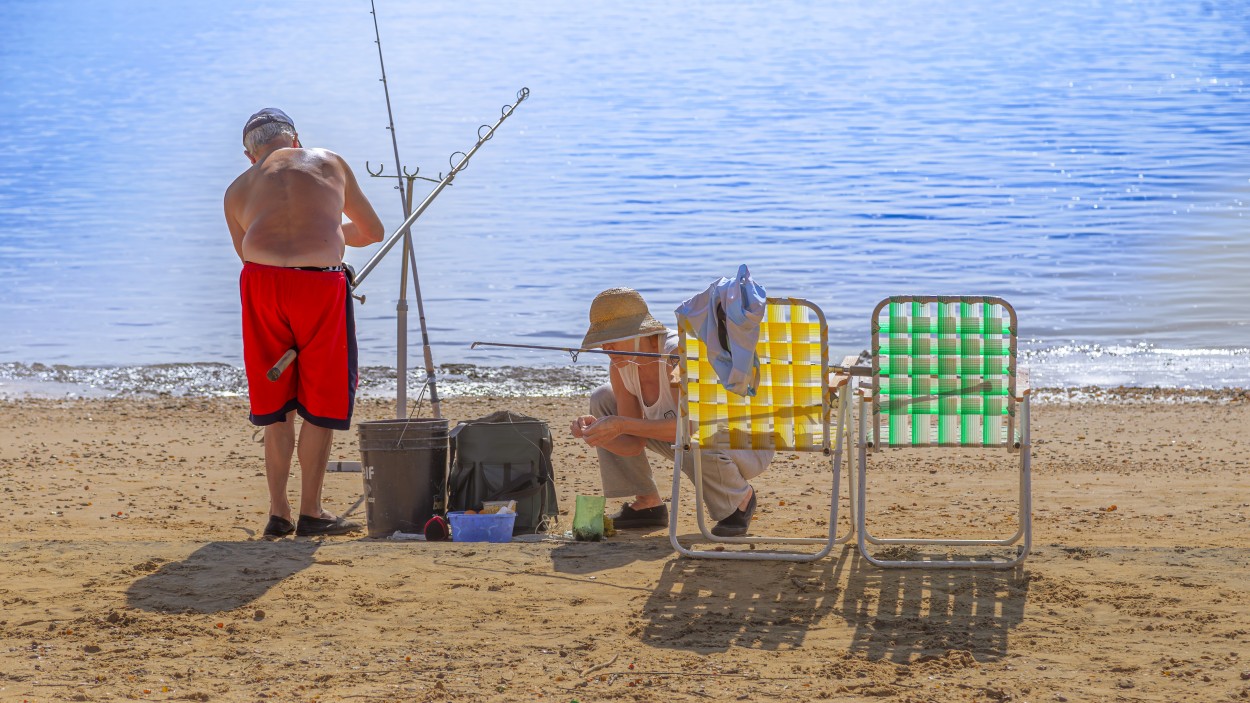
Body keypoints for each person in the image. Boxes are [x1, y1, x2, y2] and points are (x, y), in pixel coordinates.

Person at [224, 108, 385, 538]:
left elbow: (247, 253)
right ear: (296, 139)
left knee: (277, 407)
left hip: (262, 286)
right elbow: (373, 231)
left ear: (249, 155)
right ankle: (311, 511)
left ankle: (279, 512)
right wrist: (332, 230)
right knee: (321, 401)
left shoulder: (237, 188)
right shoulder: (329, 161)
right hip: (318, 287)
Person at [569, 288, 772, 536]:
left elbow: (691, 427)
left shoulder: (677, 353)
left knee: (688, 435)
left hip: (744, 444)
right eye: (602, 339)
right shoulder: (620, 366)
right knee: (603, 397)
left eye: (614, 337)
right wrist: (599, 433)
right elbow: (633, 445)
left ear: (640, 331)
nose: (606, 346)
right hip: (691, 439)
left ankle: (740, 500)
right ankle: (647, 503)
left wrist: (620, 425)